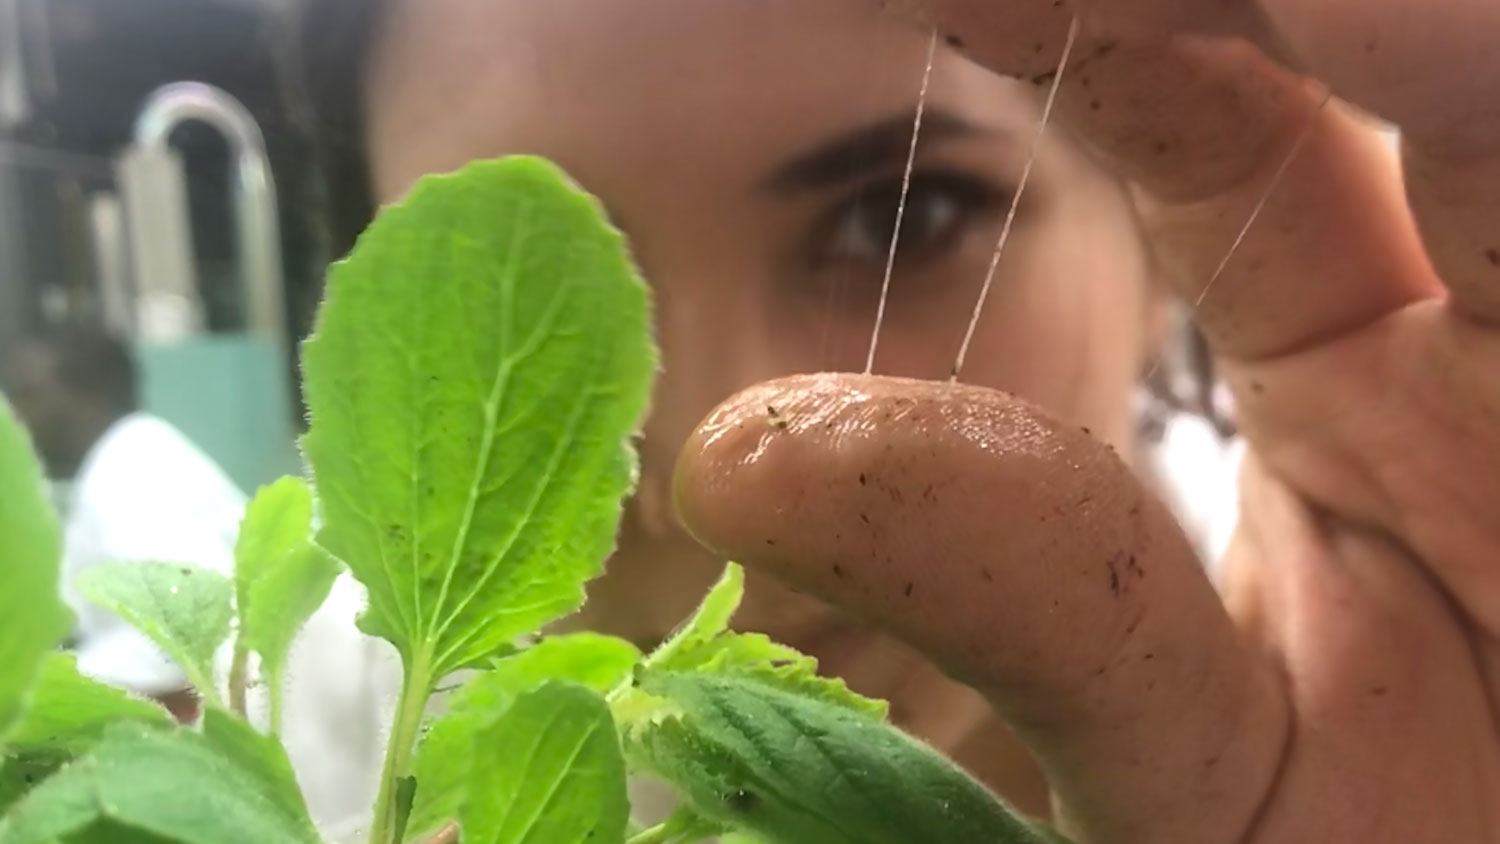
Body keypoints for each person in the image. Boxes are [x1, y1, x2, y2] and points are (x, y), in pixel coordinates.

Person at [301, 0, 1500, 840]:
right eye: (532, 307)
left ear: (1152, 250)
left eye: (904, 220)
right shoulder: (352, 722)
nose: (713, 476)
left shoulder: (1435, 619)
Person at [3, 326, 246, 720]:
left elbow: (176, 644)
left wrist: (33, 689)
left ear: (88, 395)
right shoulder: (123, 460)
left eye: (29, 394)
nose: (16, 414)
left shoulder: (133, 475)